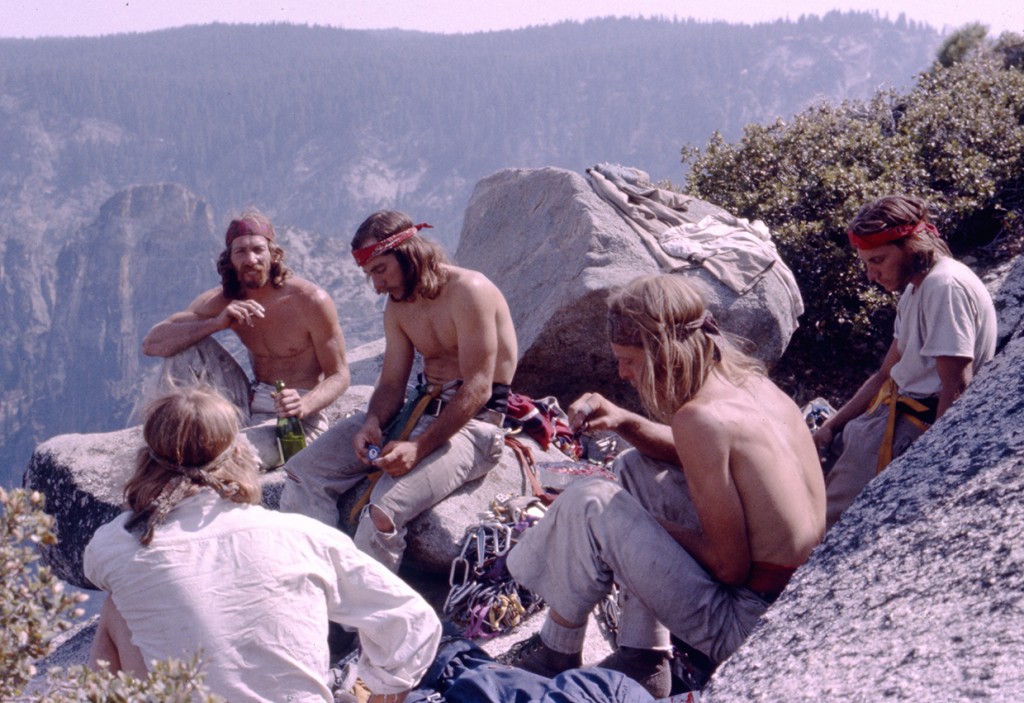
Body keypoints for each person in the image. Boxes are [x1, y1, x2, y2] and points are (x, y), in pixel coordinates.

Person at [503, 274, 825, 698]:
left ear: (665, 353)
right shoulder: (753, 386)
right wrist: (624, 420)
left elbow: (730, 568)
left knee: (593, 500)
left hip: (748, 626)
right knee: (637, 468)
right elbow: (705, 460)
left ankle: (555, 652)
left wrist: (642, 526)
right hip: (797, 603)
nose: (622, 373)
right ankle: (644, 657)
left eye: (630, 360)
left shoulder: (699, 419)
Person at [84, 386, 441, 703]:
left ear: (146, 461)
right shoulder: (302, 536)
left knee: (119, 603)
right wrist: (371, 692)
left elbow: (99, 567)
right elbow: (414, 622)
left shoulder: (117, 544)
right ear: (240, 453)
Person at [279, 210, 517, 571]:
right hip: (417, 411)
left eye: (380, 270)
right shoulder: (399, 308)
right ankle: (323, 588)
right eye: (370, 274)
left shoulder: (470, 291)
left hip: (474, 427)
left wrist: (418, 448)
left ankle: (374, 626)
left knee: (382, 514)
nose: (377, 286)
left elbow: (479, 387)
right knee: (304, 472)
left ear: (407, 252)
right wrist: (372, 421)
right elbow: (392, 383)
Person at [813, 195, 997, 529]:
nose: (872, 275)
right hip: (889, 412)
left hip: (910, 426)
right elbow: (886, 373)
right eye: (867, 263)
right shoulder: (917, 290)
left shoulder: (944, 286)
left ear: (911, 244)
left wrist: (932, 465)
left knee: (824, 522)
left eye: (878, 260)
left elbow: (955, 386)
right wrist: (832, 427)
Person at [142, 210, 350, 469]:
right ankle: (170, 439)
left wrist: (304, 404)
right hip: (247, 401)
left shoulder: (309, 301)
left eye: (258, 250)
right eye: (240, 252)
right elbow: (153, 344)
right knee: (186, 347)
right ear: (229, 259)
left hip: (293, 418)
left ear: (273, 254)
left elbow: (339, 375)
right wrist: (215, 324)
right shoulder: (226, 300)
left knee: (225, 461)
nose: (251, 259)